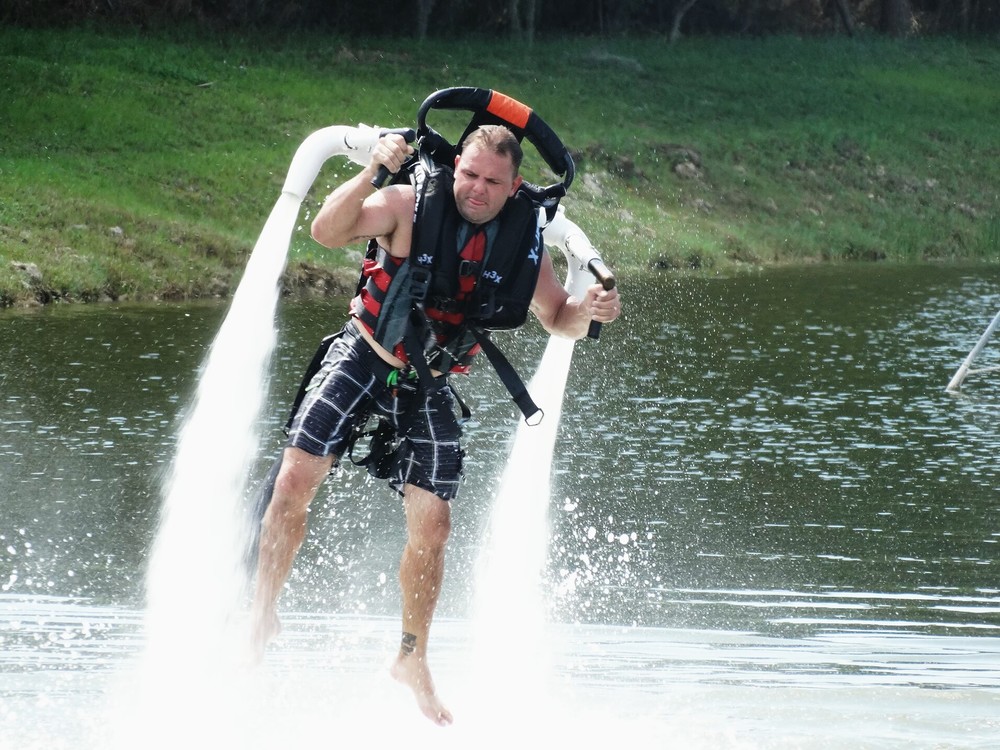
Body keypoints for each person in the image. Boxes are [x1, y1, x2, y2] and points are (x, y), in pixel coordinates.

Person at [249, 124, 621, 726]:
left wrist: (592, 312)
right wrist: (373, 168)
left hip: (430, 384)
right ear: (456, 169)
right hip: (365, 356)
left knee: (436, 524)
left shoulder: (523, 240)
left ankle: (411, 656)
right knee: (293, 482)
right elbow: (325, 231)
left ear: (514, 185)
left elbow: (558, 317)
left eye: (492, 181)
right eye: (468, 174)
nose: (475, 188)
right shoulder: (407, 204)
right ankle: (262, 609)